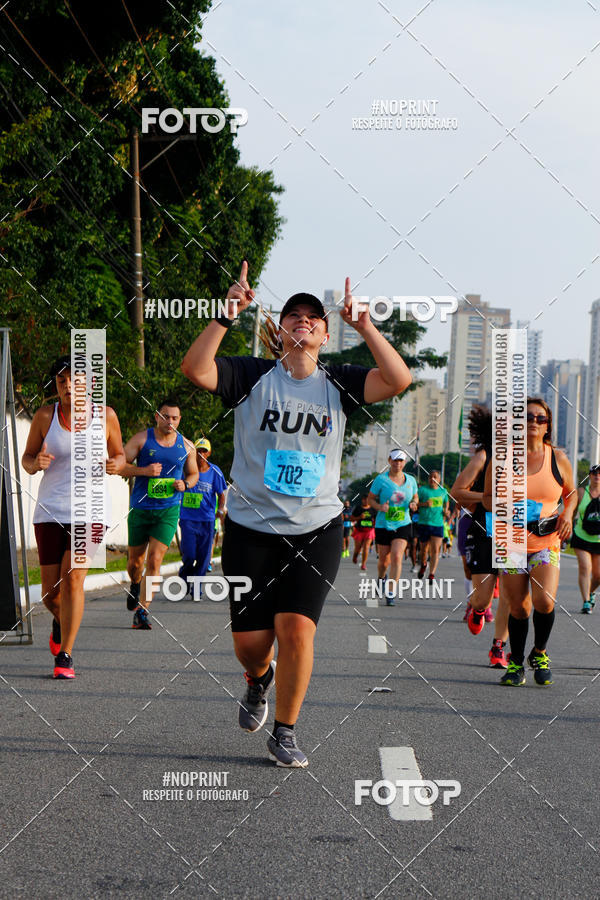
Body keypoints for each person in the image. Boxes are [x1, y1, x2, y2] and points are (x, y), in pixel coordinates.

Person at [181, 263, 411, 767]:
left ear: (326, 335)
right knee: (251, 643)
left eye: (313, 317)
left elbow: (398, 379)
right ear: (278, 329)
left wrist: (366, 326)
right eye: (293, 315)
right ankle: (257, 681)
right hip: (250, 527)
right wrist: (224, 316)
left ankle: (285, 731)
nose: (303, 320)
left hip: (317, 527)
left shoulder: (341, 382)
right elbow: (196, 370)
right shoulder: (250, 374)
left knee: (297, 628)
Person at [22, 356, 125, 678]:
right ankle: (59, 620)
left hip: (91, 511)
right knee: (50, 593)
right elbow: (26, 459)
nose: (68, 386)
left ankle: (65, 655)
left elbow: (119, 454)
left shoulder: (106, 417)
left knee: (74, 579)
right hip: (50, 509)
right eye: (62, 381)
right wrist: (34, 462)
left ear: (90, 384)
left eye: (75, 380)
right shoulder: (44, 416)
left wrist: (117, 464)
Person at [483, 397, 576, 686]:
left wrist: (568, 515)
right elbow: (487, 498)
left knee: (544, 601)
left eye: (540, 418)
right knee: (519, 607)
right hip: (509, 542)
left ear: (547, 425)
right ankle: (516, 664)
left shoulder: (558, 459)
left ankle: (540, 652)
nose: (533, 422)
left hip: (546, 540)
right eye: (527, 418)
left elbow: (570, 494)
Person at [121, 400, 199, 628]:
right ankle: (135, 584)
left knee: (155, 560)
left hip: (168, 510)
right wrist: (143, 471)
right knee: (135, 563)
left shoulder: (187, 446)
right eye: (166, 416)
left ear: (179, 420)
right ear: (157, 416)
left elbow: (193, 474)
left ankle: (142, 611)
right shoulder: (142, 439)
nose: (170, 422)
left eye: (174, 418)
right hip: (141, 508)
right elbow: (118, 465)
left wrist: (186, 484)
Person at [451, 405, 509, 668]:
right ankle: (476, 608)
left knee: (511, 593)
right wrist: (488, 500)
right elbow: (457, 492)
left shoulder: (527, 459)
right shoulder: (482, 457)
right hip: (483, 531)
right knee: (484, 598)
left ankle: (499, 648)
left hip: (514, 533)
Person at [368, 449, 418, 606]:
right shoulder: (380, 480)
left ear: (404, 463)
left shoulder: (411, 480)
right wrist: (379, 507)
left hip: (403, 524)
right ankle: (382, 578)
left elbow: (415, 496)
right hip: (383, 524)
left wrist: (414, 503)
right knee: (384, 562)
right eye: (395, 460)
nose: (398, 463)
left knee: (397, 556)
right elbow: (370, 499)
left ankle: (391, 592)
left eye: (401, 460)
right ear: (389, 460)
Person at [178, 437, 227, 596]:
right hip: (188, 519)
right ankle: (185, 576)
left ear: (209, 453)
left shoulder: (215, 472)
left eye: (204, 451)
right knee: (190, 554)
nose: (201, 454)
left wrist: (220, 511)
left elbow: (222, 494)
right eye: (198, 451)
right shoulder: (186, 470)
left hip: (206, 520)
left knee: (203, 558)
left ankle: (197, 587)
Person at [570, 463, 600, 614]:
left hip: (598, 540)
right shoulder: (581, 492)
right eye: (594, 473)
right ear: (590, 475)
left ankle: (590, 592)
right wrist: (566, 524)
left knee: (598, 575)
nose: (597, 476)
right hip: (581, 536)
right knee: (585, 567)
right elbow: (571, 511)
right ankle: (586, 601)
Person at [417, 471, 449, 581]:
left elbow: (446, 506)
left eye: (435, 477)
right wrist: (423, 504)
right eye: (430, 477)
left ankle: (432, 574)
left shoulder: (443, 492)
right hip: (424, 523)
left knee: (435, 550)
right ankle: (423, 564)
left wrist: (446, 512)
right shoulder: (422, 490)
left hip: (438, 524)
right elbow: (414, 504)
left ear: (439, 480)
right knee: (423, 550)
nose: (432, 479)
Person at [351, 494, 377, 571]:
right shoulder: (358, 508)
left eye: (367, 499)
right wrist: (359, 517)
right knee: (358, 548)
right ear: (362, 500)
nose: (365, 501)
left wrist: (375, 525)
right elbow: (351, 519)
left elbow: (377, 519)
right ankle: (355, 556)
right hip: (359, 530)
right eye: (364, 499)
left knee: (366, 547)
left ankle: (363, 564)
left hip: (369, 531)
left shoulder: (373, 509)